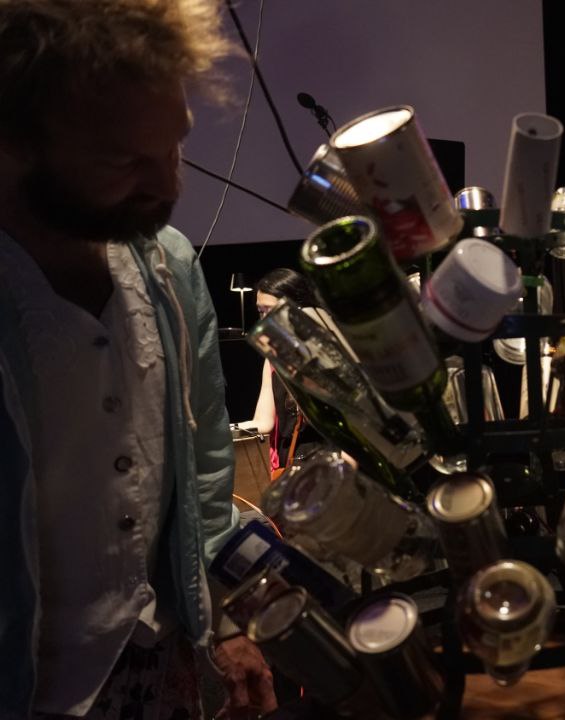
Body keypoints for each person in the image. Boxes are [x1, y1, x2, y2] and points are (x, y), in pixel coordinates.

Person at [0, 1, 275, 717]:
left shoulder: (170, 267)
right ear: (16, 141)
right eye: (126, 161)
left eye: (175, 148)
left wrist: (224, 617)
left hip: (159, 666)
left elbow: (206, 463)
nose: (170, 188)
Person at [240, 268, 319, 473]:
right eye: (260, 311)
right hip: (288, 461)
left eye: (270, 310)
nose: (264, 319)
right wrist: (226, 430)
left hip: (318, 458)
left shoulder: (320, 354)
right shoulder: (271, 359)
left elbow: (318, 419)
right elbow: (263, 422)